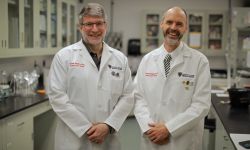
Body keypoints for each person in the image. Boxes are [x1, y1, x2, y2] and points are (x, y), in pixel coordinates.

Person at [47, 3, 134, 150]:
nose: (94, 29)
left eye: (99, 23)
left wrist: (108, 126)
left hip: (108, 138)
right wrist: (86, 128)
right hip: (74, 139)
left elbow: (128, 97)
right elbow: (57, 97)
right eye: (89, 24)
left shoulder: (120, 59)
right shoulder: (64, 57)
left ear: (105, 25)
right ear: (80, 27)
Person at [133, 6, 211, 150]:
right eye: (169, 22)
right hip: (152, 138)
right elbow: (138, 98)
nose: (173, 28)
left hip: (183, 141)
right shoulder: (148, 60)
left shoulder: (199, 61)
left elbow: (201, 105)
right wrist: (149, 128)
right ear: (161, 24)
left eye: (179, 24)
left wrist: (168, 129)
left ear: (185, 28)